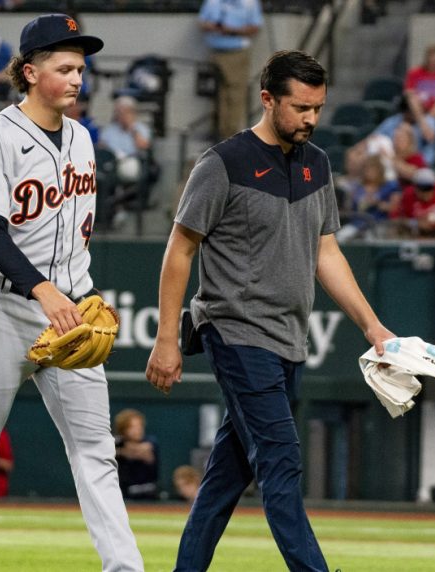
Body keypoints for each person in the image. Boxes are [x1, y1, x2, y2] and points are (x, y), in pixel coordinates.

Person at [146, 50, 395, 572]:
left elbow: (327, 253)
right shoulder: (222, 164)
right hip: (235, 331)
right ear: (267, 99)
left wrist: (373, 327)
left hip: (289, 339)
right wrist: (167, 338)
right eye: (300, 107)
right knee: (281, 460)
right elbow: (180, 249)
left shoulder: (318, 164)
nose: (310, 119)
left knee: (226, 478)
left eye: (318, 108)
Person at [0, 14, 143, 572]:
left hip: (71, 310)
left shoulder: (83, 138)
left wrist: (79, 290)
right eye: (65, 68)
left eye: (81, 68)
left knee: (97, 452)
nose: (77, 78)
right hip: (2, 308)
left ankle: (125, 567)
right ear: (30, 71)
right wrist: (45, 290)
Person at [198, 0, 263, 140]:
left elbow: (255, 27)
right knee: (219, 93)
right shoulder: (212, 2)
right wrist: (213, 27)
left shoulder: (249, 3)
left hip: (236, 52)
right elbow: (202, 22)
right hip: (216, 52)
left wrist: (232, 30)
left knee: (234, 93)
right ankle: (220, 132)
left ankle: (231, 134)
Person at [368, 92, 435, 165]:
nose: (412, 112)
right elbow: (372, 138)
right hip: (394, 162)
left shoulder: (429, 120)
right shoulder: (393, 121)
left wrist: (417, 113)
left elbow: (430, 137)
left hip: (421, 166)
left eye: (414, 109)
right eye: (409, 109)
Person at [114, 408, 159, 500]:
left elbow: (145, 449)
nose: (137, 430)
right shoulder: (117, 443)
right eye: (132, 427)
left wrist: (124, 451)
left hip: (149, 495)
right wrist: (121, 450)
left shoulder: (150, 441)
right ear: (123, 429)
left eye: (139, 426)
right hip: (124, 495)